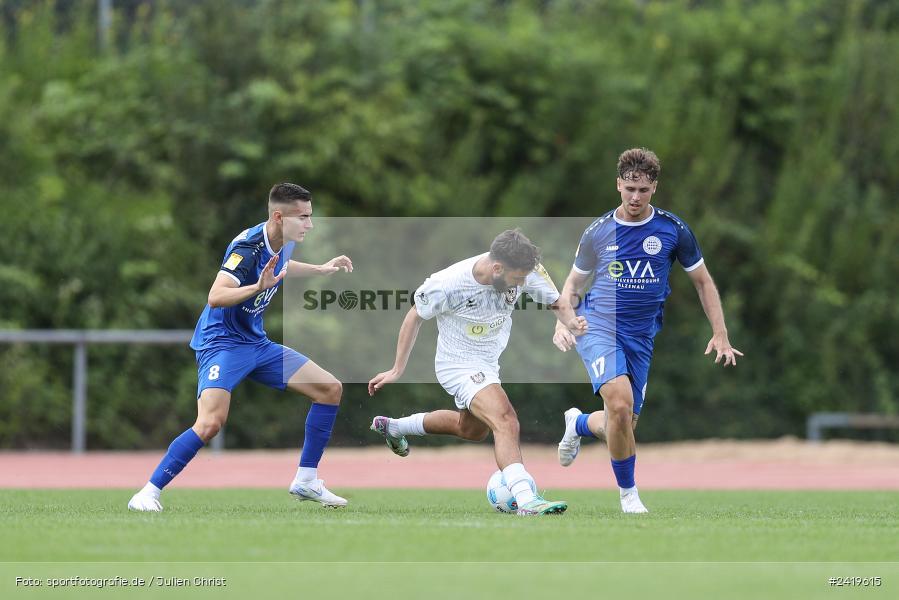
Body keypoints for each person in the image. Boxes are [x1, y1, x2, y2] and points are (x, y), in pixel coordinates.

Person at [128, 183, 354, 512]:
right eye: (303, 217)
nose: (310, 224)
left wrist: (319, 268)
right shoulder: (247, 248)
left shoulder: (286, 242)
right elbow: (216, 296)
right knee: (210, 423)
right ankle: (147, 493)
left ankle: (306, 480)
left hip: (256, 344)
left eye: (310, 216)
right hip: (222, 343)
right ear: (279, 217)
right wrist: (257, 286)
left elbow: (283, 268)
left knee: (329, 388)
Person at [552, 148, 743, 513]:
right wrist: (563, 323)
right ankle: (629, 496)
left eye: (642, 189)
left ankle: (577, 423)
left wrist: (720, 333)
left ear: (654, 187)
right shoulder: (598, 231)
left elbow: (703, 282)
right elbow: (572, 286)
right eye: (628, 189)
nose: (635, 197)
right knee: (620, 405)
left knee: (619, 425)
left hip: (640, 337)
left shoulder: (673, 230)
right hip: (597, 327)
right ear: (618, 186)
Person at [368, 229, 586, 516]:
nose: (520, 286)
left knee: (471, 430)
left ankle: (395, 427)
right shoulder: (447, 284)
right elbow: (414, 317)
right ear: (497, 268)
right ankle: (527, 501)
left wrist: (571, 323)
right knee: (506, 419)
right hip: (457, 365)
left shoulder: (526, 269)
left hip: (488, 363)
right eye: (517, 280)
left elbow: (556, 301)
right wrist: (397, 369)